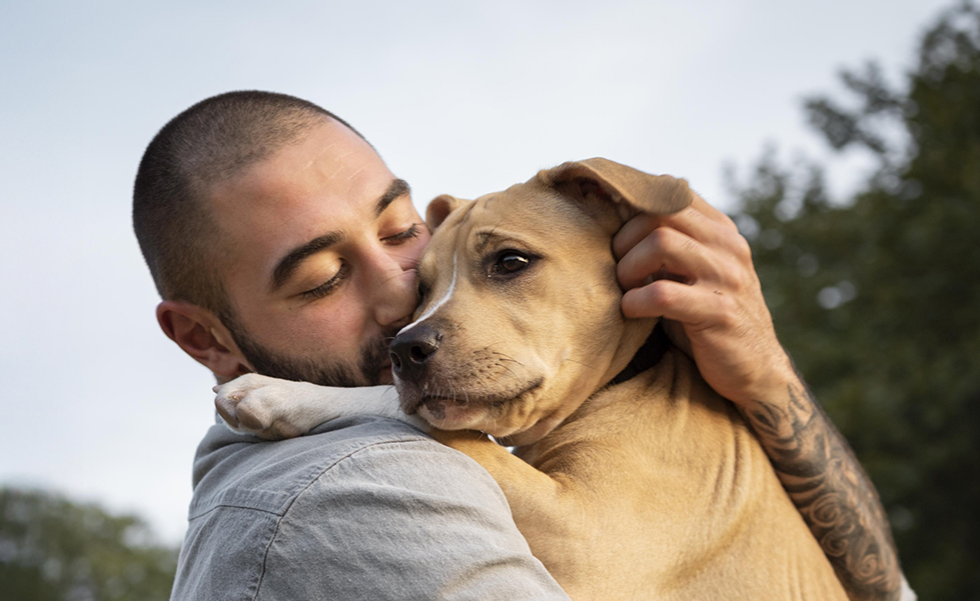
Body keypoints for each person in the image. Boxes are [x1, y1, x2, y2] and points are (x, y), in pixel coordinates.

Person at [133, 91, 908, 601]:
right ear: (206, 338)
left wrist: (767, 382)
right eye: (323, 278)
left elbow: (884, 589)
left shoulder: (670, 415)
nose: (412, 302)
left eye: (406, 234)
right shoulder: (347, 487)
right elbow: (583, 564)